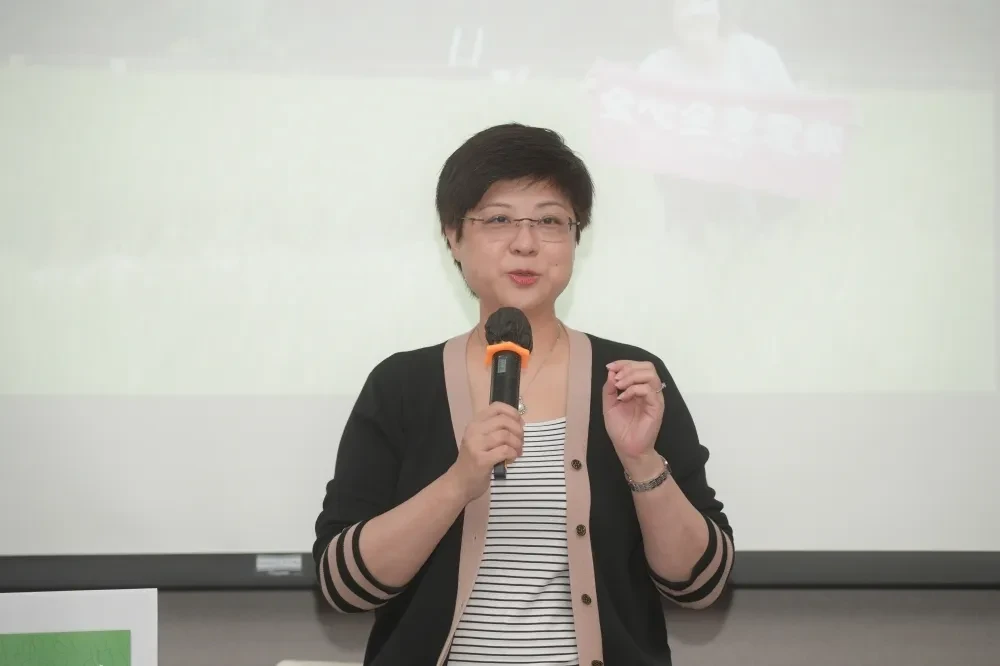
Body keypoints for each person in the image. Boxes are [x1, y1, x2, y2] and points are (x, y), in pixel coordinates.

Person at [312, 123, 734, 666]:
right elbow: (343, 587)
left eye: (551, 221)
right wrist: (459, 482)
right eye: (498, 220)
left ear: (576, 237)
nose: (526, 243)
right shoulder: (400, 385)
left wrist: (641, 460)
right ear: (453, 237)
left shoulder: (628, 381)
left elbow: (700, 585)